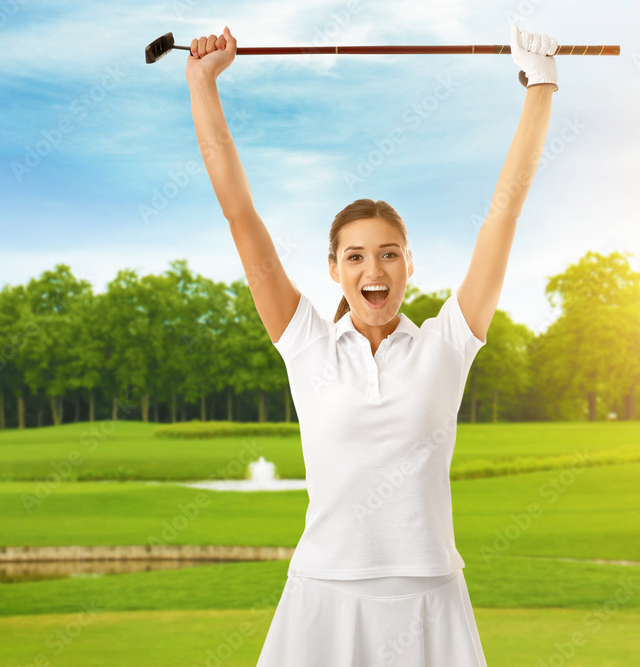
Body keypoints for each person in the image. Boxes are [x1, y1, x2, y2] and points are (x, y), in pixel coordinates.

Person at [186, 21, 559, 666]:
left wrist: (541, 89)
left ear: (409, 264)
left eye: (388, 255)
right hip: (323, 598)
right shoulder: (307, 344)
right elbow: (238, 213)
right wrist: (202, 85)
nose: (373, 271)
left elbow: (505, 212)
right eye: (355, 257)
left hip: (430, 598)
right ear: (334, 269)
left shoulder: (447, 344)